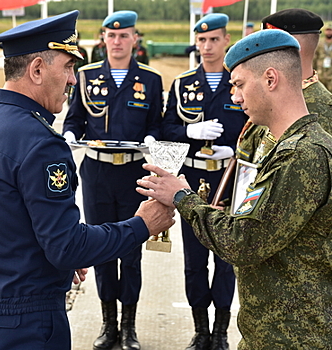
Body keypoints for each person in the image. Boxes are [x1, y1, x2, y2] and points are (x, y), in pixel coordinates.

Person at [0, 10, 174, 350]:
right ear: (37, 70)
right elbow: (67, 246)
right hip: (26, 320)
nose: (72, 79)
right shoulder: (40, 144)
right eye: (67, 67)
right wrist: (142, 224)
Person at [137, 28, 332, 349]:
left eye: (240, 85)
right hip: (270, 330)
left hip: (294, 336)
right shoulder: (285, 145)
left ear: (271, 79)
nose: (235, 97)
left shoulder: (301, 154)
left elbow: (242, 241)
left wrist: (182, 198)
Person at [64, 10, 164, 350]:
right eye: (112, 35)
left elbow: (156, 124)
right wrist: (68, 134)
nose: (118, 41)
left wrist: (151, 138)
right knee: (101, 249)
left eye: (125, 35)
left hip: (134, 173)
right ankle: (108, 325)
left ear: (135, 39)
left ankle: (128, 327)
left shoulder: (150, 79)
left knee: (132, 251)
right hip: (97, 171)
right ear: (103, 38)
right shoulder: (86, 74)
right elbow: (75, 119)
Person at [161, 13, 248, 350]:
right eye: (202, 40)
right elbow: (165, 130)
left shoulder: (240, 79)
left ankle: (222, 332)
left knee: (226, 257)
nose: (207, 46)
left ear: (226, 40)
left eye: (214, 40)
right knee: (195, 259)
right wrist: (189, 131)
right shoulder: (184, 83)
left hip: (230, 176)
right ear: (195, 43)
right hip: (195, 177)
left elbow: (261, 123)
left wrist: (236, 148)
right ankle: (201, 331)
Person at [237, 8, 332, 166]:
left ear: (293, 49)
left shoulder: (321, 110)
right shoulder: (271, 97)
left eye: (267, 49)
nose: (259, 57)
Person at [314, 22, 332, 91]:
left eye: (330, 30)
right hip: (321, 73)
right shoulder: (320, 43)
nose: (329, 32)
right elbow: (315, 57)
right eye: (327, 30)